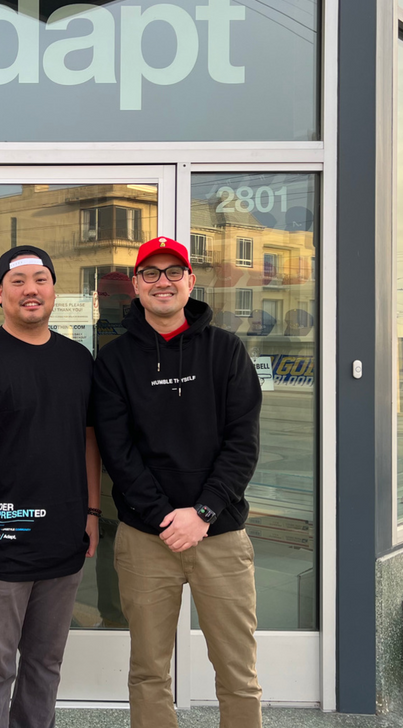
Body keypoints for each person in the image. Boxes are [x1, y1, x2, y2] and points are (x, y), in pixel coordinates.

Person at [92, 236, 263, 728]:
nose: (162, 282)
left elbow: (243, 443)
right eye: (151, 273)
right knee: (148, 672)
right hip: (147, 538)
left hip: (222, 535)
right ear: (137, 287)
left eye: (173, 272)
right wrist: (165, 518)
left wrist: (203, 512)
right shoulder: (115, 361)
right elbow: (117, 452)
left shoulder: (226, 351)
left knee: (237, 671)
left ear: (190, 282)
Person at [0, 245, 101, 728]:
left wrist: (91, 513)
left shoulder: (78, 359)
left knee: (45, 662)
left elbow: (89, 441)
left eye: (41, 279)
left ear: (53, 289)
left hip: (64, 539)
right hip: (0, 543)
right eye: (19, 281)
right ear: (0, 294)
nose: (31, 289)